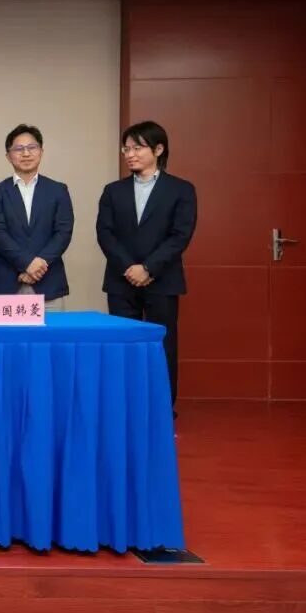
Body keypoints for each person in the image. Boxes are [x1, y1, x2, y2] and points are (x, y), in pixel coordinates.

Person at [96, 121, 197, 410]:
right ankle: (124, 405)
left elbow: (180, 235)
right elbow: (105, 233)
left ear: (158, 149)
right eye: (126, 149)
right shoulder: (113, 191)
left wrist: (149, 268)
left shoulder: (181, 190)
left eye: (137, 148)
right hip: (121, 281)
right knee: (122, 345)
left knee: (162, 345)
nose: (130, 154)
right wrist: (130, 267)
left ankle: (162, 407)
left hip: (162, 280)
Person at [0, 124, 74, 309]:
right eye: (18, 149)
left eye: (32, 147)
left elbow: (63, 232)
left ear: (41, 152)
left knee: (52, 329)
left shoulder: (58, 190)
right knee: (3, 330)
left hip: (48, 281)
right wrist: (27, 263)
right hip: (6, 282)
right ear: (8, 156)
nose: (26, 153)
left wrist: (38, 265)